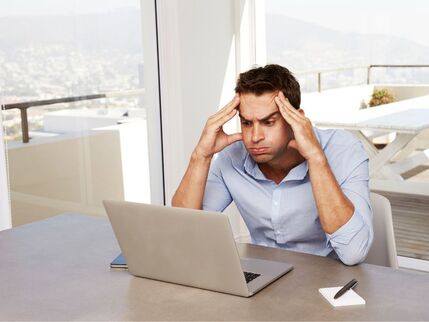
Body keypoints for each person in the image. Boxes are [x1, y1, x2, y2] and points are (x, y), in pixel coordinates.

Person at [172, 64, 373, 265]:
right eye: (247, 123)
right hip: (263, 275)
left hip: (330, 280)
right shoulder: (232, 157)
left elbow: (353, 253)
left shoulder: (344, 151)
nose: (255, 137)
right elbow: (184, 232)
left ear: (297, 119)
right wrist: (201, 156)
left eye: (269, 122)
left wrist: (315, 158)